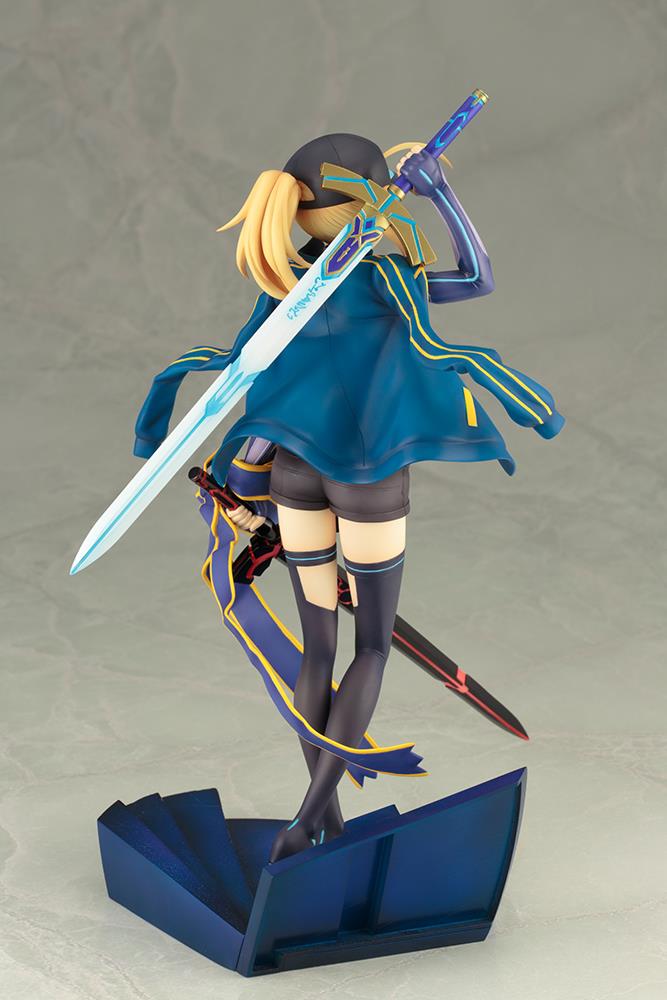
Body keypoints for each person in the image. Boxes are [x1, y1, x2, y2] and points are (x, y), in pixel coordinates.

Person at [133, 133, 564, 861]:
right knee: (369, 646)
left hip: (295, 477)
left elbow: (252, 383)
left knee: (317, 649)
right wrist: (441, 193)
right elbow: (476, 277)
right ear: (368, 201)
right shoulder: (387, 279)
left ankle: (326, 822)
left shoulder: (284, 292)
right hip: (368, 478)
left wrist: (243, 483)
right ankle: (308, 821)